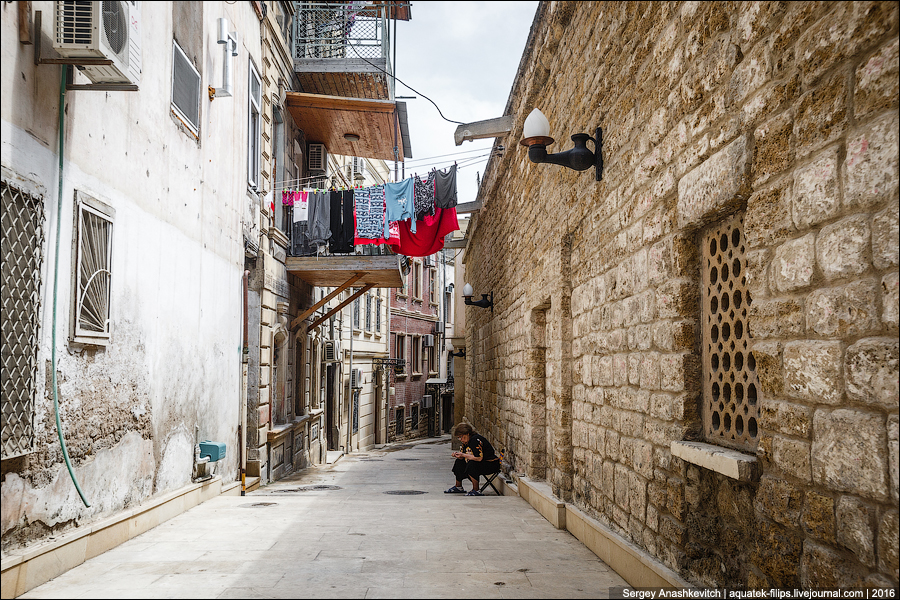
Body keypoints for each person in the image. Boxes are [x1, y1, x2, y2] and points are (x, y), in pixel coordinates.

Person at [445, 423, 500, 496]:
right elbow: (464, 454)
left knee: (472, 464)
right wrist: (458, 455)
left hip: (490, 464)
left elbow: (479, 458)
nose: (461, 439)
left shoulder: (475, 440)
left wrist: (464, 455)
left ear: (467, 434)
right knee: (459, 462)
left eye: (461, 437)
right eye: (459, 437)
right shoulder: (466, 442)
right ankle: (458, 486)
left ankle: (476, 489)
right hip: (481, 462)